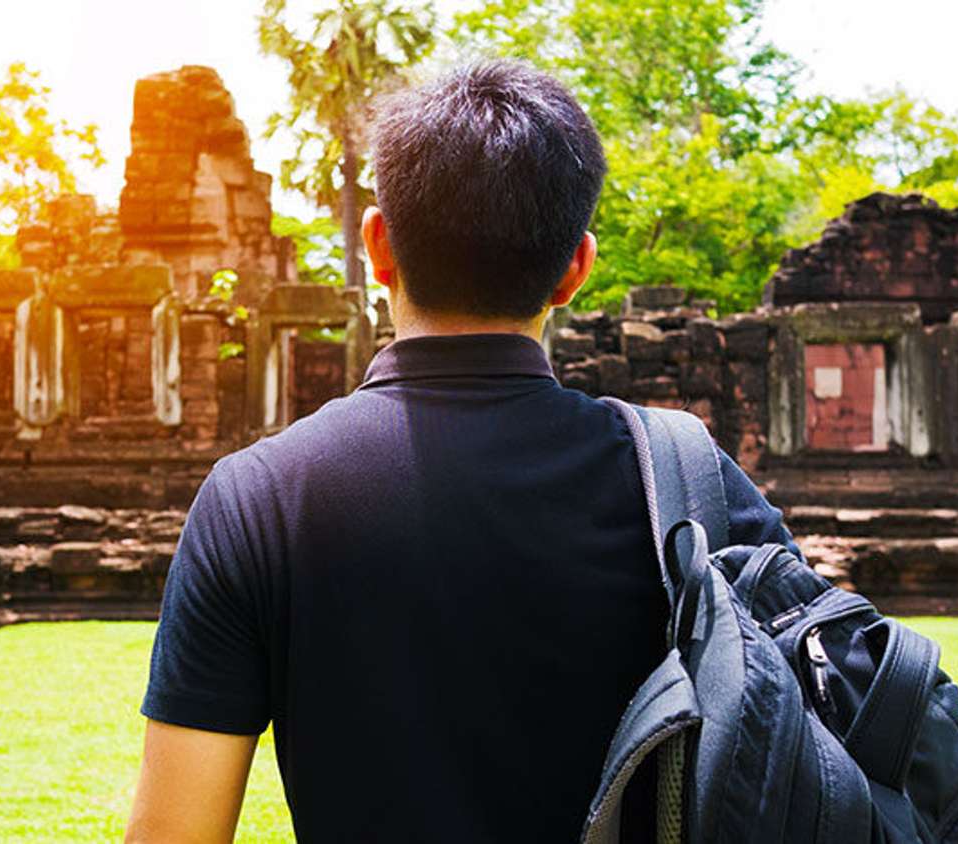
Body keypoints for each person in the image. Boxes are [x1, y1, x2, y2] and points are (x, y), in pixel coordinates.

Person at [124, 60, 798, 843]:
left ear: (377, 245)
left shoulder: (257, 500)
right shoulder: (687, 482)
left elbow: (174, 832)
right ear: (575, 269)